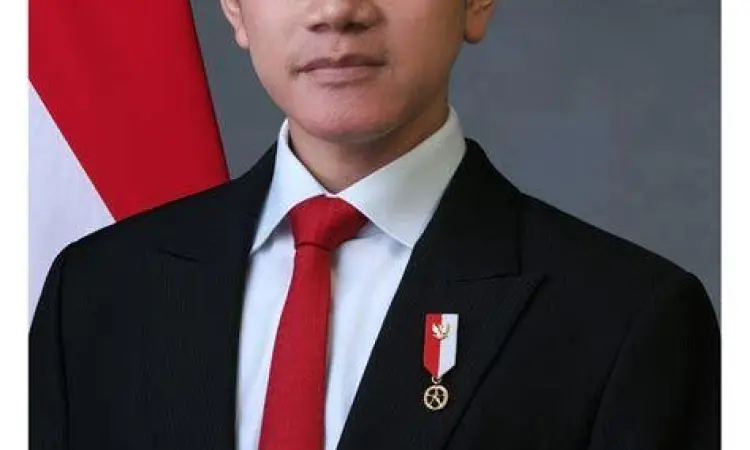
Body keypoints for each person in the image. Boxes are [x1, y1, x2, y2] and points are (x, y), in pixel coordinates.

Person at [30, 0, 719, 449]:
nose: (338, 12)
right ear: (235, 9)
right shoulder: (95, 290)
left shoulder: (627, 320)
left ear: (477, 3)